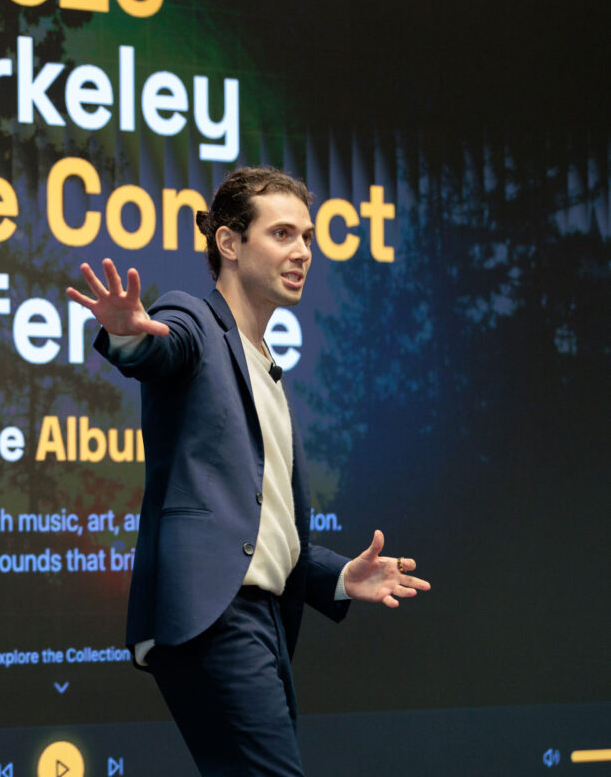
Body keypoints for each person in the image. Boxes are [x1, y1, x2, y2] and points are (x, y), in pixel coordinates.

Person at [66, 166, 431, 776]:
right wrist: (129, 337)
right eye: (282, 233)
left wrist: (340, 575)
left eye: (309, 237)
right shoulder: (194, 320)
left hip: (262, 618)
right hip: (215, 613)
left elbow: (259, 526)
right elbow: (162, 344)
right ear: (229, 244)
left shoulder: (266, 366)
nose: (302, 252)